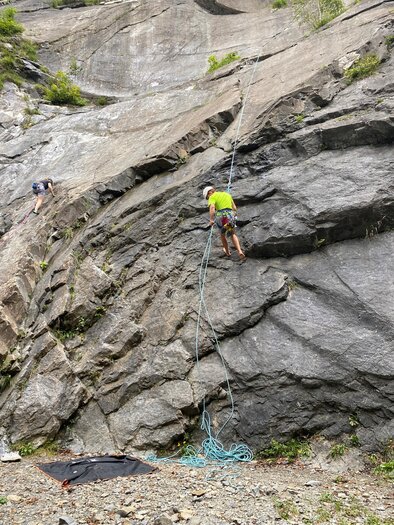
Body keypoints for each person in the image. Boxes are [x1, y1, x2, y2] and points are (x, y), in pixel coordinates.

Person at [203, 185, 245, 259]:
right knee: (232, 233)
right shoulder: (227, 194)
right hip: (230, 215)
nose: (208, 198)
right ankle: (240, 251)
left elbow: (212, 208)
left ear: (209, 193)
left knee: (222, 234)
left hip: (221, 216)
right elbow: (234, 208)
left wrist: (211, 220)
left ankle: (227, 252)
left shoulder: (212, 196)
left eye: (207, 197)